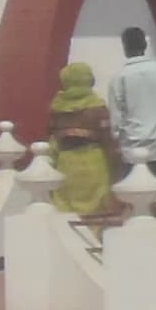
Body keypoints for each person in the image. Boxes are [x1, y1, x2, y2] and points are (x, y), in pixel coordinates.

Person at [107, 24, 156, 194]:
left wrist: (117, 140)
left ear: (125, 47)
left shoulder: (119, 78)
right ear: (144, 45)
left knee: (136, 195)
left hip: (132, 146)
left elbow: (116, 117)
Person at [43, 61, 118, 219]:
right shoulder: (98, 109)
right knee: (95, 214)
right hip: (95, 166)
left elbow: (52, 142)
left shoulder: (57, 109)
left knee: (67, 212)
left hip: (66, 166)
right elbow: (109, 143)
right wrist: (116, 173)